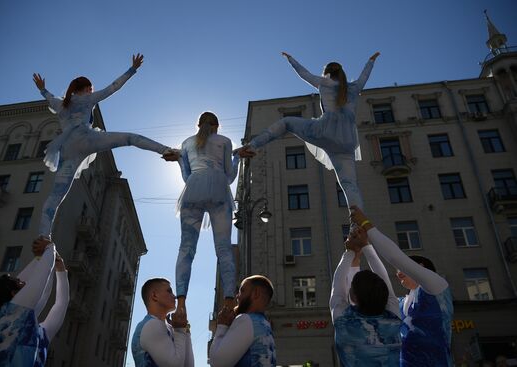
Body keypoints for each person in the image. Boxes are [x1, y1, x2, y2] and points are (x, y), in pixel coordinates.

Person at [33, 54, 177, 240]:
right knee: (130, 138)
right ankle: (166, 150)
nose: (91, 91)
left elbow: (49, 97)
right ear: (84, 89)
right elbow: (113, 88)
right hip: (87, 139)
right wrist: (132, 69)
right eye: (89, 88)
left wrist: (42, 89)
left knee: (55, 196)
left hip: (68, 150)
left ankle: (42, 235)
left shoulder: (61, 104)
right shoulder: (86, 99)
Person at [237, 51, 380, 211]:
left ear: (326, 73)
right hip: (347, 143)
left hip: (324, 133)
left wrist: (290, 59)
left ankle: (252, 146)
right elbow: (364, 76)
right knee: (349, 184)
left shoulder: (323, 83)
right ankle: (358, 223)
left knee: (287, 122)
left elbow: (303, 73)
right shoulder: (355, 87)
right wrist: (371, 61)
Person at [350, 206, 453, 366]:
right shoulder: (402, 303)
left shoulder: (437, 287)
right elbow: (382, 279)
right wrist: (365, 246)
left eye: (403, 268)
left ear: (421, 266)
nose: (398, 272)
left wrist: (365, 223)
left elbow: (395, 257)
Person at [170, 112, 239, 315]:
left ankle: (181, 303)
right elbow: (229, 177)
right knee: (224, 249)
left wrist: (178, 161)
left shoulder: (186, 143)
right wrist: (237, 159)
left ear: (198, 125)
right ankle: (228, 302)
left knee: (186, 249)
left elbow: (186, 176)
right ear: (218, 126)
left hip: (193, 190)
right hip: (218, 190)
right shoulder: (225, 141)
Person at [0, 237, 69, 366]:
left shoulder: (31, 330)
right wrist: (50, 248)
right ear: (13, 294)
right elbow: (41, 279)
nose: (24, 282)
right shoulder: (12, 312)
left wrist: (58, 265)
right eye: (19, 282)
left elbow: (53, 299)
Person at [330, 227, 401, 366]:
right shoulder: (393, 317)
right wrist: (364, 246)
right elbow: (383, 277)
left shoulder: (343, 320)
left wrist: (352, 250)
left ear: (354, 298)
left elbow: (338, 282)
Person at [209, 275, 276, 367]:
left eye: (242, 291)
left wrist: (222, 326)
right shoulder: (265, 325)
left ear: (256, 293)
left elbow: (217, 363)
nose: (237, 296)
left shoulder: (246, 320)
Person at [131, 278, 194, 367]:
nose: (175, 296)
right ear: (154, 296)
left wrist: (185, 330)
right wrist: (180, 329)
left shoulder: (168, 327)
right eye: (169, 291)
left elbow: (188, 365)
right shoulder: (151, 325)